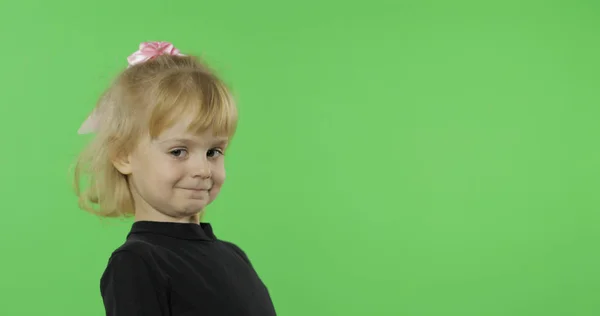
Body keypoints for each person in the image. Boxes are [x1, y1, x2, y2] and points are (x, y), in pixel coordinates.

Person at [73, 41, 277, 316]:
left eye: (213, 152)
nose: (203, 169)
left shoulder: (234, 256)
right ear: (123, 156)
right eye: (178, 151)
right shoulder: (137, 263)